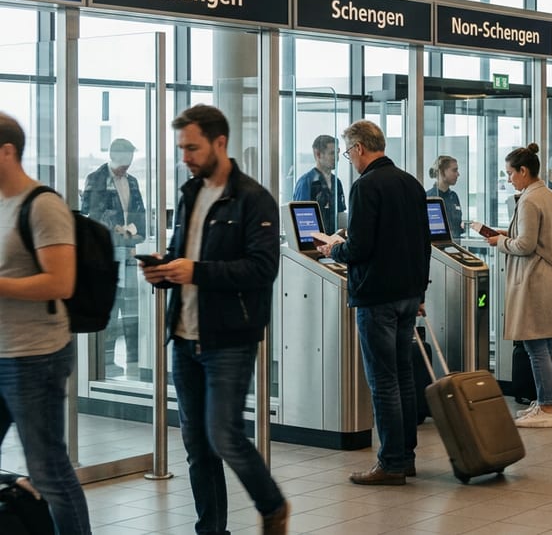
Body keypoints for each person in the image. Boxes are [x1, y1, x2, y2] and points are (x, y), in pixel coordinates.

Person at [140, 105, 288, 534]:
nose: (185, 156)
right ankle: (211, 529)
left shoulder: (253, 199)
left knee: (224, 434)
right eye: (181, 148)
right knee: (197, 446)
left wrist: (195, 271)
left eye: (192, 147)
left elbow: (262, 269)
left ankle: (273, 505)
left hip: (229, 338)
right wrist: (163, 270)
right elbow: (180, 254)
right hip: (184, 337)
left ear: (219, 143)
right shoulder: (189, 194)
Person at [318, 120, 430, 484]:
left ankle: (391, 462)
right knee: (403, 376)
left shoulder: (366, 187)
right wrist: (419, 293)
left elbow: (361, 247)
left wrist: (336, 248)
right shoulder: (411, 183)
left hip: (377, 297)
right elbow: (422, 243)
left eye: (349, 151)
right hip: (407, 295)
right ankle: (406, 456)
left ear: (361, 148)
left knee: (383, 381)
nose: (349, 158)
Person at [0, 113, 92, 535]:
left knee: (49, 469)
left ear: (7, 152)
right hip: (3, 350)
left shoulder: (43, 205)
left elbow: (61, 281)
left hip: (33, 358)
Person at [487, 143, 552, 428]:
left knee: (536, 345)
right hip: (548, 277)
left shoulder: (529, 200)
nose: (509, 179)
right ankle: (546, 400)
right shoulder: (548, 195)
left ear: (524, 171)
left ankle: (546, 408)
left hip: (535, 279)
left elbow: (525, 244)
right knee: (545, 344)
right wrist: (506, 234)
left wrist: (500, 242)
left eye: (511, 173)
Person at [80, 138, 146, 379]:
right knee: (111, 305)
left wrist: (134, 236)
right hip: (106, 254)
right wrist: (115, 230)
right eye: (122, 165)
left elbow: (140, 214)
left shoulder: (133, 181)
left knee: (131, 308)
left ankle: (133, 359)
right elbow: (91, 215)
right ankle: (106, 362)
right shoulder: (95, 179)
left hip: (128, 251)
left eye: (128, 165)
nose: (125, 169)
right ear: (114, 157)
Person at [292, 134, 346, 235]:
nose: (337, 158)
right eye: (332, 153)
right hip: (313, 243)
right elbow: (302, 221)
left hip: (334, 244)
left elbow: (340, 216)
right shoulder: (306, 182)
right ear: (318, 154)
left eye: (337, 153)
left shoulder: (336, 182)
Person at [427, 155, 465, 240]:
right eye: (454, 170)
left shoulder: (453, 196)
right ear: (442, 172)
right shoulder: (429, 197)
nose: (458, 174)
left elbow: (457, 227)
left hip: (455, 246)